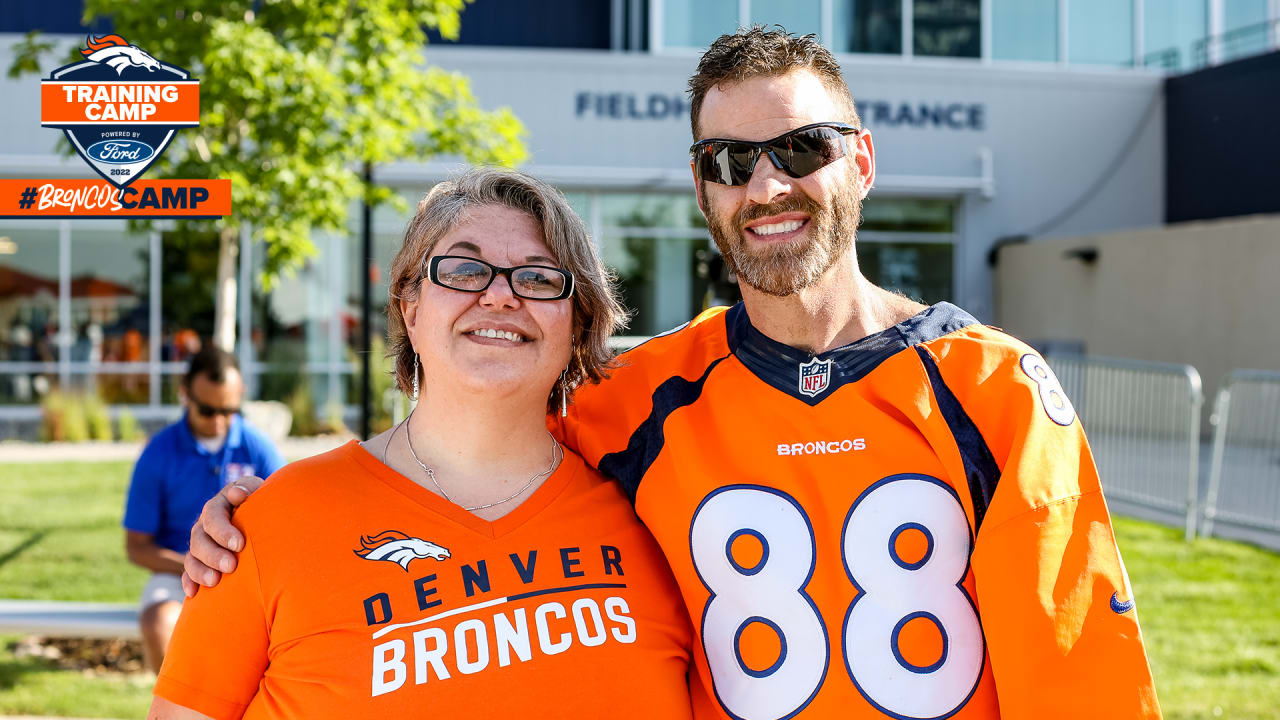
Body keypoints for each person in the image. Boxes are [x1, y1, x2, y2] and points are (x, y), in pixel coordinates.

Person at [186, 28, 1162, 719]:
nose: (765, 185)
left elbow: (1079, 684)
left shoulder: (988, 389)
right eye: (727, 160)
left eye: (798, 149)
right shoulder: (635, 401)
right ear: (700, 186)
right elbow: (462, 444)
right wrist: (255, 511)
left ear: (860, 161)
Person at [149, 169, 693, 719]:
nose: (500, 295)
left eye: (537, 278)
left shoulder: (658, 521)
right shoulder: (269, 525)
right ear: (410, 309)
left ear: (578, 321)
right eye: (463, 269)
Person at [123, 346, 285, 674]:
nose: (219, 421)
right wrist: (194, 565)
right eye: (208, 410)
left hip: (248, 576)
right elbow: (136, 547)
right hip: (176, 574)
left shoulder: (260, 448)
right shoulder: (157, 454)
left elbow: (288, 525)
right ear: (185, 395)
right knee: (158, 621)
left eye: (229, 410)